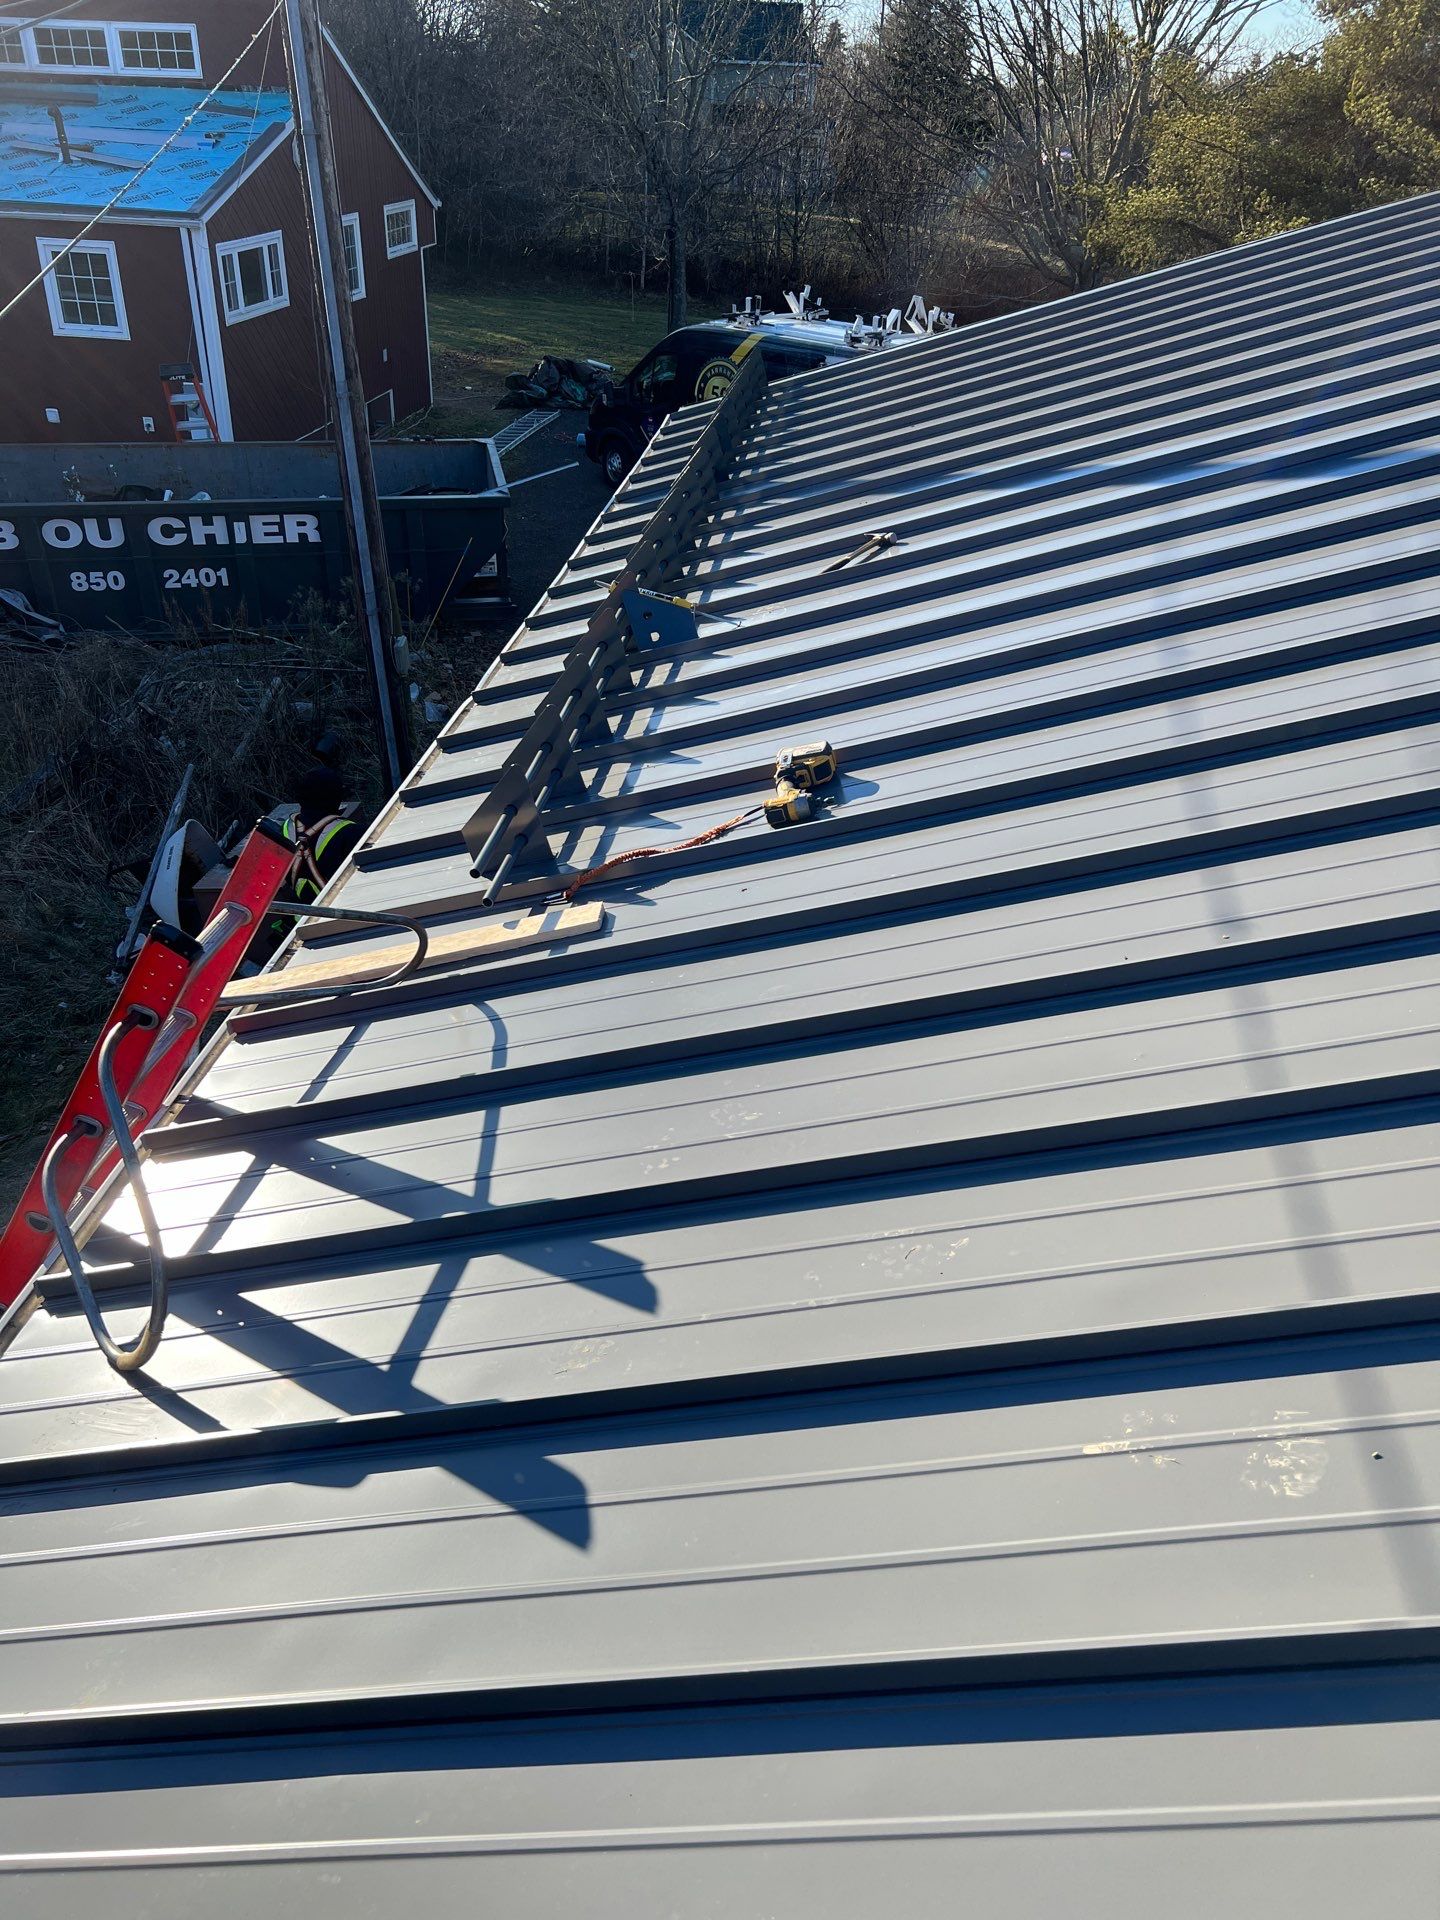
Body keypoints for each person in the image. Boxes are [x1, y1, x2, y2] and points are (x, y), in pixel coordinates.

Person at [281, 764, 360, 903]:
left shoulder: (284, 830)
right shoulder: (352, 832)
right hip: (341, 917)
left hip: (300, 918)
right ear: (337, 798)